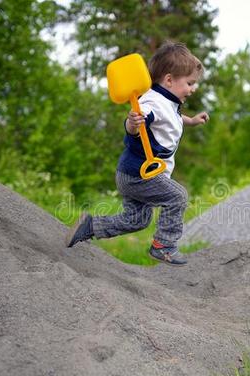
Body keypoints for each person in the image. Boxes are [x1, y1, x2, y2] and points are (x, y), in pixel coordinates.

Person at [66, 42, 209, 266]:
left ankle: (91, 226)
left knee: (138, 220)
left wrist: (191, 121)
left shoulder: (169, 102)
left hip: (132, 174)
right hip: (139, 175)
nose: (193, 89)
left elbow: (171, 120)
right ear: (169, 80)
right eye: (189, 83)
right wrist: (132, 123)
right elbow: (139, 122)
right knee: (178, 196)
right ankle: (164, 245)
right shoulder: (151, 102)